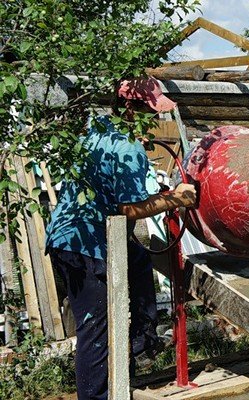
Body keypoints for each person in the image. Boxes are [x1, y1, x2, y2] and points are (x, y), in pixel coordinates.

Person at [45, 78, 196, 400]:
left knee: (138, 260)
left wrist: (162, 196)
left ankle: (141, 342)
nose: (156, 120)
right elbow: (127, 209)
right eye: (151, 112)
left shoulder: (97, 130)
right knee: (95, 328)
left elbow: (115, 196)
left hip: (69, 238)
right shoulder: (127, 147)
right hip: (86, 246)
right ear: (131, 108)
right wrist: (176, 200)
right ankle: (98, 395)